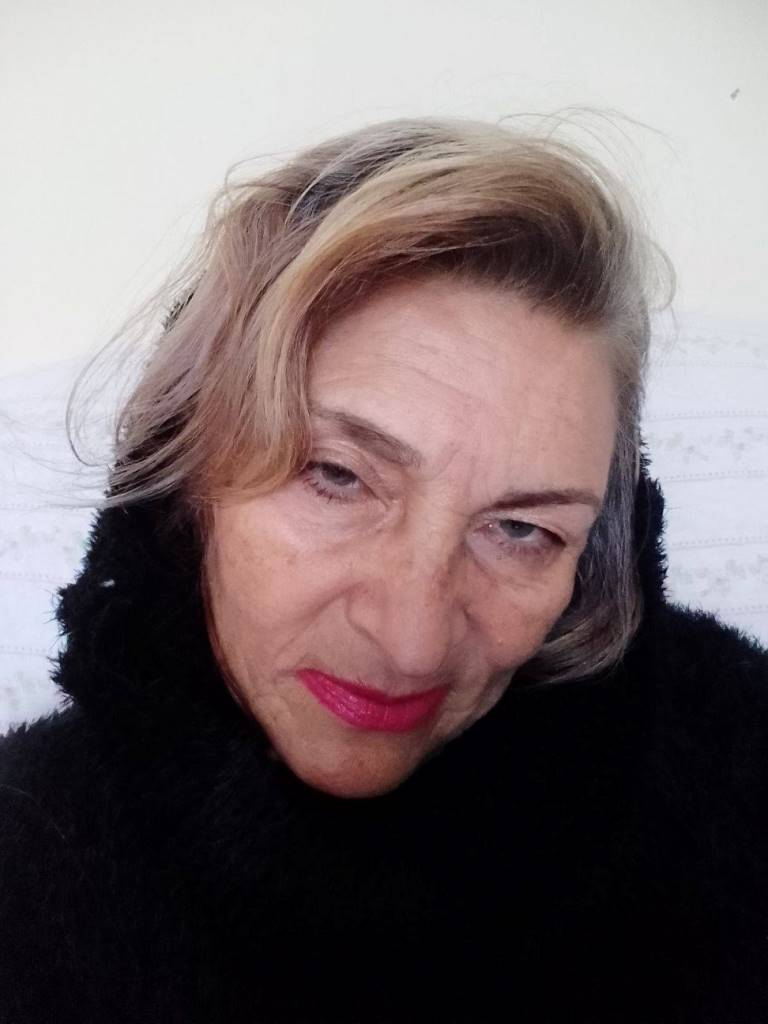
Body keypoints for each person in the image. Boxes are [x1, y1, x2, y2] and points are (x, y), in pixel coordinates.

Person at [1, 116, 766, 1023]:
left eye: (521, 529)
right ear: (185, 479)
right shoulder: (26, 864)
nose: (413, 644)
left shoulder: (738, 769)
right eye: (336, 476)